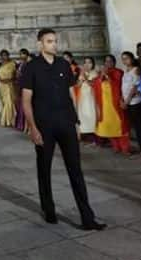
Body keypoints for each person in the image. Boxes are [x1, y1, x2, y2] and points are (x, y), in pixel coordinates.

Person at [19, 29, 106, 230]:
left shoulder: (63, 65)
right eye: (49, 41)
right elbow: (26, 100)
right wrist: (32, 128)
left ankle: (87, 218)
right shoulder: (31, 68)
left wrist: (76, 122)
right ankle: (49, 210)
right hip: (44, 125)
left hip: (66, 123)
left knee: (76, 170)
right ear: (40, 44)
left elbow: (70, 94)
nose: (54, 45)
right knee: (44, 169)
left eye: (55, 41)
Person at [121, 51, 141, 160]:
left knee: (140, 127)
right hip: (128, 102)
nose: (125, 61)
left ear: (132, 59)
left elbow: (135, 87)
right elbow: (125, 86)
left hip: (135, 102)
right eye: (123, 59)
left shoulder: (136, 70)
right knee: (136, 127)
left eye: (127, 58)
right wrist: (123, 100)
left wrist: (127, 101)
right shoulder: (126, 71)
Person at [94, 54, 130, 153]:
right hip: (105, 105)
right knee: (109, 126)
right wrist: (101, 76)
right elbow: (96, 84)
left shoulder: (118, 72)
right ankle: (116, 147)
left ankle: (125, 148)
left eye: (110, 61)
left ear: (114, 62)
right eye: (106, 61)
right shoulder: (101, 74)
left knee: (120, 125)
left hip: (116, 102)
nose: (108, 63)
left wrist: (107, 75)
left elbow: (117, 85)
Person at [76, 57, 98, 144]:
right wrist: (81, 77)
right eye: (85, 62)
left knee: (91, 115)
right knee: (83, 115)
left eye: (89, 62)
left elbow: (92, 84)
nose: (87, 64)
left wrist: (84, 76)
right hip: (83, 97)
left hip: (91, 97)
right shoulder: (82, 73)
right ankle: (85, 136)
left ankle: (94, 137)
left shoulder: (95, 73)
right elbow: (78, 85)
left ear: (92, 64)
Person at [0, 49, 17, 127]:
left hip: (9, 85)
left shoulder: (12, 64)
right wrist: (0, 79)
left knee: (9, 101)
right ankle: (6, 119)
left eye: (6, 55)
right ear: (1, 56)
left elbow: (15, 75)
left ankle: (7, 120)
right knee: (3, 102)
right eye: (3, 55)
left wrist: (9, 80)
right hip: (1, 85)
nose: (4, 57)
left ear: (8, 56)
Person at [14, 49, 30, 132]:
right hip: (18, 86)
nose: (21, 56)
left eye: (23, 54)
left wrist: (22, 75)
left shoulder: (28, 64)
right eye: (20, 54)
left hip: (25, 86)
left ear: (27, 55)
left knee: (24, 106)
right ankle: (19, 124)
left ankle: (24, 125)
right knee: (19, 105)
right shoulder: (19, 64)